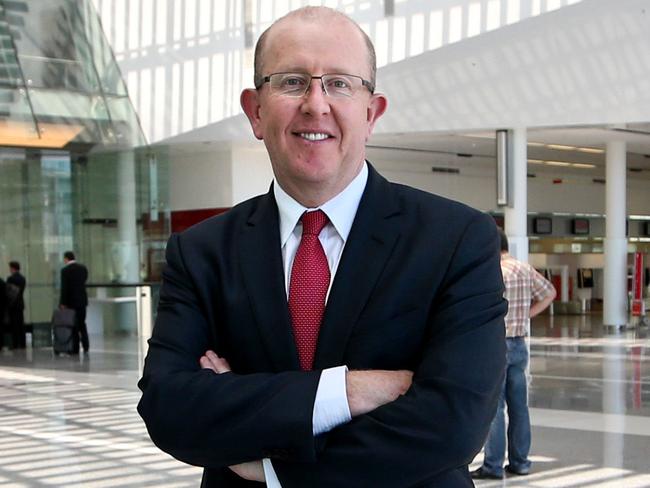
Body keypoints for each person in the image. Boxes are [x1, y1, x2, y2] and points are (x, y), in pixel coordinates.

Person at [138, 7, 507, 487]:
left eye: (339, 83)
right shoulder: (201, 251)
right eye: (292, 82)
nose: (316, 104)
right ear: (255, 110)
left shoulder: (456, 239)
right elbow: (169, 408)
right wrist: (348, 391)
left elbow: (453, 424)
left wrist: (272, 465)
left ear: (371, 113)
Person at [471, 229, 556, 480]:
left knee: (494, 407)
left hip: (496, 345)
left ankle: (493, 465)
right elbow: (550, 293)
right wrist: (527, 315)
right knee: (519, 406)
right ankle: (520, 462)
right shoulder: (524, 268)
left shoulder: (494, 271)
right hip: (519, 345)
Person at [59, 251, 89, 354]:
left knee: (73, 326)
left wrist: (62, 303)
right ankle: (86, 345)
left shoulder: (65, 271)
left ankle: (75, 348)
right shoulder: (83, 269)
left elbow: (64, 288)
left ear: (66, 259)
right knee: (82, 323)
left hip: (71, 303)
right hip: (82, 301)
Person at [7, 261, 26, 349]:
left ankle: (15, 344)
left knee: (14, 325)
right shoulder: (23, 278)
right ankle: (23, 343)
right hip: (20, 304)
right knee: (21, 324)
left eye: (10, 268)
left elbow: (9, 292)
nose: (9, 270)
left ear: (13, 268)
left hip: (12, 305)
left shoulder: (10, 279)